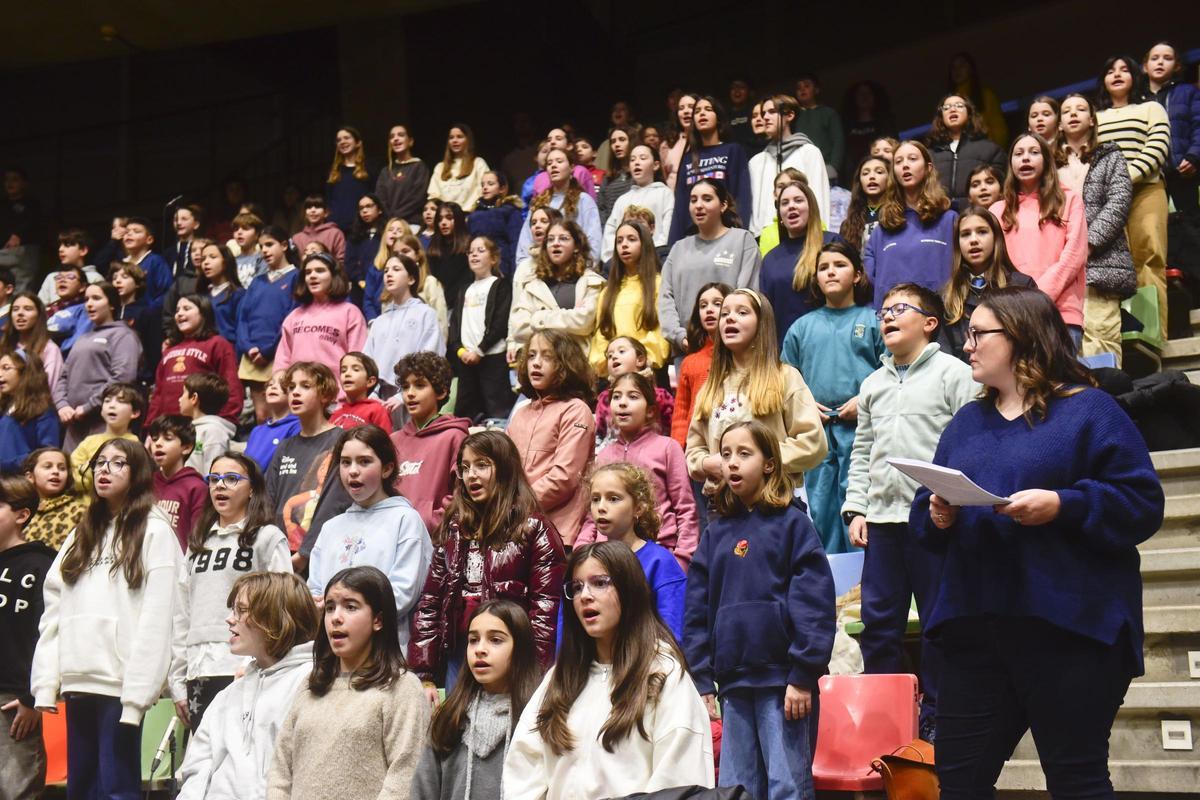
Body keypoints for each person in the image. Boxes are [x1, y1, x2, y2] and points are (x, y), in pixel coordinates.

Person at [912, 286, 1164, 798]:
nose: (968, 346)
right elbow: (927, 504)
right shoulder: (965, 423)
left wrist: (1063, 505)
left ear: (1022, 336)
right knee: (957, 784)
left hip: (1069, 630)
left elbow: (1142, 503)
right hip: (977, 631)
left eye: (979, 334)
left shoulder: (1090, 410)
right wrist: (936, 514)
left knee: (1076, 778)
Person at [842, 282, 977, 739]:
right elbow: (862, 451)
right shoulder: (873, 384)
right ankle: (886, 718)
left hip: (934, 520)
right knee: (879, 627)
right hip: (881, 522)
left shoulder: (953, 373)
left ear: (930, 322)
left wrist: (956, 502)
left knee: (940, 623)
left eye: (900, 309)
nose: (887, 317)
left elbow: (972, 443)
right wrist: (855, 508)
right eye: (883, 311)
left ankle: (939, 717)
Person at [684, 419, 836, 800]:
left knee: (787, 786)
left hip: (783, 684)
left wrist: (802, 674)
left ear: (769, 463)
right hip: (733, 685)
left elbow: (814, 605)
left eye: (744, 454)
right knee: (737, 789)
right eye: (726, 454)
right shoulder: (715, 533)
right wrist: (702, 678)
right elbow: (697, 612)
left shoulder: (793, 525)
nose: (732, 463)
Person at [504, 541, 714, 798]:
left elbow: (680, 779)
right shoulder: (559, 678)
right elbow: (524, 767)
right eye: (577, 587)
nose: (585, 596)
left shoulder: (664, 673)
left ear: (629, 589)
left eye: (600, 583)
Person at [31, 439, 181, 798]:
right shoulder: (83, 532)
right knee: (81, 787)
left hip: (121, 683)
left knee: (117, 788)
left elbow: (160, 615)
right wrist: (46, 679)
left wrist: (139, 692)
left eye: (117, 463)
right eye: (100, 463)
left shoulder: (155, 531)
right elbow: (55, 607)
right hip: (78, 677)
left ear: (138, 473)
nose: (104, 470)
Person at [410, 430, 566, 694]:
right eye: (465, 467)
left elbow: (545, 610)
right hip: (460, 652)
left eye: (482, 465)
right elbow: (430, 602)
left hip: (512, 657)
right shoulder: (454, 529)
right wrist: (423, 674)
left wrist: (535, 673)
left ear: (505, 469)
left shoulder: (534, 528)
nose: (471, 475)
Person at [267, 566, 430, 800]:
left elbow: (405, 776)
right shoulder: (311, 685)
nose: (336, 618)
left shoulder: (402, 687)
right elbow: (281, 769)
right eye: (330, 607)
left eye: (350, 607)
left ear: (378, 620)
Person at [169, 453, 291, 732]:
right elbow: (181, 613)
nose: (220, 486)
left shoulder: (267, 537)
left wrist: (259, 662)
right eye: (213, 479)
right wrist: (177, 678)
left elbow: (282, 606)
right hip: (199, 670)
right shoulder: (198, 542)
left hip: (246, 668)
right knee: (203, 762)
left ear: (252, 490)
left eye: (232, 479)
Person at [176, 572, 319, 800]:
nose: (230, 619)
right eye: (233, 610)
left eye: (241, 611)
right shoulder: (228, 695)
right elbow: (198, 767)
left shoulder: (312, 684)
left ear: (274, 616)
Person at [782, 242, 884, 553]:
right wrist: (806, 405)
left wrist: (864, 398)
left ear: (857, 274)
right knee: (821, 507)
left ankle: (863, 587)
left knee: (858, 506)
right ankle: (829, 586)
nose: (830, 271)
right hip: (818, 433)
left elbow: (891, 373)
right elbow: (786, 379)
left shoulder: (873, 321)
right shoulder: (802, 327)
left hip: (861, 431)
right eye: (824, 267)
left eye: (839, 264)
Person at [685, 289, 827, 494]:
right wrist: (706, 463)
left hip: (774, 502)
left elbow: (813, 443)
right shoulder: (710, 388)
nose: (730, 318)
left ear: (762, 324)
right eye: (724, 314)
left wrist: (759, 462)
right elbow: (694, 451)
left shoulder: (785, 377)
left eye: (742, 312)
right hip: (723, 505)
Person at [307, 426, 432, 649]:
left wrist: (352, 616)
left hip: (384, 650)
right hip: (334, 650)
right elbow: (314, 588)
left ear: (387, 469)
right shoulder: (330, 528)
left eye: (364, 462)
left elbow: (403, 592)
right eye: (345, 462)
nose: (353, 471)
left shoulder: (405, 520)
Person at [411, 600, 540, 800]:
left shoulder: (536, 719)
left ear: (520, 649)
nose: (480, 649)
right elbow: (423, 790)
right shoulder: (451, 717)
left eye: (495, 640)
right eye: (473, 640)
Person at [579, 372, 698, 574]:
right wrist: (581, 553)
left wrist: (681, 559)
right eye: (616, 397)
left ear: (650, 411)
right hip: (607, 557)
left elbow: (685, 509)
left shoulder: (667, 447)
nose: (622, 403)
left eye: (633, 397)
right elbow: (591, 517)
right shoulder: (604, 455)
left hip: (658, 553)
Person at [1057, 93, 1136, 364]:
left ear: (1092, 119)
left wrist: (1087, 244)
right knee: (1063, 345)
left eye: (1081, 109)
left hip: (1101, 262)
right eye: (1067, 111)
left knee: (1102, 340)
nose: (1073, 114)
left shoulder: (1111, 155)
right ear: (1059, 123)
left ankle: (1104, 405)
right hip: (1060, 266)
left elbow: (1119, 201)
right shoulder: (1049, 163)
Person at [1096, 55, 1171, 335]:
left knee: (1149, 258)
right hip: (1106, 199)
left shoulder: (1151, 108)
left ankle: (1155, 333)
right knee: (1112, 266)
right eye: (1110, 70)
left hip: (1146, 189)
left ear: (1134, 77)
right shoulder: (1094, 117)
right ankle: (1121, 335)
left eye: (1124, 69)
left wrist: (1123, 177)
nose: (1117, 74)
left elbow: (1158, 145)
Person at [989, 133, 1088, 345]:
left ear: (1046, 160)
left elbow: (1074, 256)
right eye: (1018, 153)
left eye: (1034, 153)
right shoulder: (997, 211)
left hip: (1060, 315)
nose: (1025, 158)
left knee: (1059, 379)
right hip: (1012, 317)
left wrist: (1035, 300)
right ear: (1011, 163)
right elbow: (994, 265)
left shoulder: (1069, 200)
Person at [507, 330, 596, 547]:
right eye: (531, 356)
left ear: (566, 364)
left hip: (555, 533)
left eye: (547, 357)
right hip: (514, 529)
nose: (536, 363)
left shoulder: (576, 410)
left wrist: (512, 506)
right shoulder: (520, 412)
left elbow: (564, 478)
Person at [658, 179, 761, 353]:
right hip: (688, 348)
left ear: (723, 205)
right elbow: (665, 298)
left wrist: (728, 334)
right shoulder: (678, 249)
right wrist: (680, 336)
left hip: (731, 348)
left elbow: (747, 294)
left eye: (707, 199)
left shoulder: (742, 240)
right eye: (693, 200)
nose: (698, 205)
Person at [266, 362, 352, 561]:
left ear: (324, 395)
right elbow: (269, 500)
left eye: (305, 386)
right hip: (281, 552)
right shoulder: (285, 446)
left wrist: (306, 553)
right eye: (291, 387)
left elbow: (335, 502)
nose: (295, 393)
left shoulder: (341, 440)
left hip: (321, 551)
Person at [0, 474, 53, 797]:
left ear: (22, 515)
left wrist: (32, 698)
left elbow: (45, 636)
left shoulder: (42, 565)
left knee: (14, 788)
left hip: (13, 701)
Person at [864, 141, 958, 308]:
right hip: (894, 318)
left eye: (912, 159)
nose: (905, 165)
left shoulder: (949, 220)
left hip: (940, 317)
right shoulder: (882, 230)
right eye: (898, 162)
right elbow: (871, 278)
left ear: (929, 168)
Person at [389, 352, 470, 536]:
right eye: (405, 386)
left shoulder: (454, 436)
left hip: (435, 540)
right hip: (392, 537)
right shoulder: (393, 440)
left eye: (419, 385)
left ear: (441, 391)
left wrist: (433, 522)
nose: (410, 393)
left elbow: (462, 494)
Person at [940, 207, 1036, 361]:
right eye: (965, 234)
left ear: (996, 238)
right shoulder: (947, 296)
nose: (973, 240)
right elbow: (944, 356)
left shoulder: (1022, 287)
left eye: (982, 232)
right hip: (965, 380)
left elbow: (1036, 344)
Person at [54, 283, 142, 450]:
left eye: (96, 298)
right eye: (86, 299)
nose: (89, 304)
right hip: (73, 425)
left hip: (103, 423)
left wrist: (88, 407)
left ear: (111, 304)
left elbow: (122, 378)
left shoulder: (123, 335)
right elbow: (63, 376)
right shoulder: (82, 338)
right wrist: (62, 405)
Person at [508, 220, 605, 361]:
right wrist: (568, 322)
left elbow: (584, 322)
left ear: (577, 246)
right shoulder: (532, 285)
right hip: (541, 364)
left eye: (563, 238)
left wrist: (538, 317)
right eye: (550, 240)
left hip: (579, 363)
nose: (556, 243)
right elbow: (519, 328)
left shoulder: (591, 281)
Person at [761, 180, 843, 340]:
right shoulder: (770, 259)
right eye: (784, 203)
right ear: (780, 216)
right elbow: (766, 314)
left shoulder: (832, 242)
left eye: (798, 200)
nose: (791, 206)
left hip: (831, 341)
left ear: (811, 208)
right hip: (784, 350)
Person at [1145, 41, 1200, 277]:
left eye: (1167, 58)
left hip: (1184, 173)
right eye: (1155, 57)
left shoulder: (1188, 92)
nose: (1160, 62)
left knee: (1191, 233)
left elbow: (1199, 126)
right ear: (1145, 66)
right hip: (1151, 179)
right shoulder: (1138, 99)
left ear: (1176, 65)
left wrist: (1194, 156)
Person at [667, 96, 753, 245]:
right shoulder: (688, 158)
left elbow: (741, 196)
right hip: (692, 238)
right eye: (698, 111)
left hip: (726, 234)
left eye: (708, 109)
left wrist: (740, 234)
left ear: (718, 118)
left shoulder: (733, 150)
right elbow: (680, 206)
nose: (702, 114)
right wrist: (672, 246)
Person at [147, 293, 243, 425]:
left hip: (203, 424)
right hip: (167, 428)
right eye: (177, 310)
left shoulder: (217, 344)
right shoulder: (170, 349)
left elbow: (231, 384)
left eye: (186, 308)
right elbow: (158, 393)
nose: (179, 314)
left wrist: (226, 420)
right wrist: (150, 426)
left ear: (203, 313)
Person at [589, 221, 670, 377]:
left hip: (648, 373)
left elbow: (661, 331)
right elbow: (601, 335)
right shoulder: (607, 292)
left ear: (644, 244)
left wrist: (639, 360)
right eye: (619, 241)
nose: (624, 245)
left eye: (631, 239)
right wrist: (607, 363)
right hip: (613, 376)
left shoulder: (658, 284)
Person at [236, 225, 299, 423]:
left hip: (277, 354)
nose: (264, 250)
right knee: (261, 416)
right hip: (252, 354)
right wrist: (248, 346)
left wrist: (268, 350)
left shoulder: (296, 276)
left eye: (270, 245)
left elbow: (291, 317)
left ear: (284, 245)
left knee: (282, 414)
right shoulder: (257, 281)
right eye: (261, 246)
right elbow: (243, 317)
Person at [449, 237, 513, 423]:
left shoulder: (499, 285)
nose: (474, 254)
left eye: (480, 250)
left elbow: (500, 323)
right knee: (465, 414)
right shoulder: (464, 290)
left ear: (493, 258)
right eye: (471, 251)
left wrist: (480, 350)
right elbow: (454, 328)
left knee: (496, 412)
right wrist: (461, 352)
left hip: (492, 359)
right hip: (466, 361)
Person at [749, 93, 830, 237]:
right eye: (763, 113)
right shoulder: (756, 162)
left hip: (804, 235)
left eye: (772, 112)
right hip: (765, 238)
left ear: (790, 115)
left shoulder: (808, 152)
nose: (765, 117)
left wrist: (821, 236)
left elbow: (819, 198)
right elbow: (755, 209)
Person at [274, 252, 367, 375]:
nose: (312, 276)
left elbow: (357, 359)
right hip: (299, 390)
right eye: (308, 272)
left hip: (337, 392)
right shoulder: (294, 316)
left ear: (334, 276)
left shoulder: (350, 313)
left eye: (320, 271)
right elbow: (282, 361)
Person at [516, 147, 603, 264]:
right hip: (539, 270)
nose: (553, 166)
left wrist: (584, 268)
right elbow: (525, 242)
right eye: (549, 163)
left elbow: (593, 242)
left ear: (572, 167)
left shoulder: (584, 201)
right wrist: (525, 270)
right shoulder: (539, 202)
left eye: (559, 161)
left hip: (574, 270)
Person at [671, 282, 731, 450]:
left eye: (717, 304)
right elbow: (681, 413)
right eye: (703, 305)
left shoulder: (740, 357)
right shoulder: (690, 362)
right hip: (696, 448)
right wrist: (677, 449)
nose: (709, 310)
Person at [927, 94, 1006, 210]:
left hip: (979, 216)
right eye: (946, 107)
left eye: (959, 106)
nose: (952, 109)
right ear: (941, 116)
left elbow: (1002, 189)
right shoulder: (930, 154)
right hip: (940, 218)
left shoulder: (990, 149)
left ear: (969, 112)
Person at [592, 336, 675, 442]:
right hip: (615, 455)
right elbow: (599, 434)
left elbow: (673, 428)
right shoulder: (604, 398)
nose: (614, 357)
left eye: (621, 351)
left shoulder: (660, 395)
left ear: (640, 360)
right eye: (609, 356)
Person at [601, 144, 674, 262]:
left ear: (655, 165)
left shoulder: (665, 194)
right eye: (632, 159)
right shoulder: (622, 200)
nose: (636, 163)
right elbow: (611, 231)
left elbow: (667, 229)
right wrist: (612, 258)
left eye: (643, 158)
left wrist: (656, 254)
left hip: (655, 259)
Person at [68, 382, 143, 495]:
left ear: (135, 413)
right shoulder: (89, 441)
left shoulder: (134, 444)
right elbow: (72, 476)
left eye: (120, 401)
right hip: (85, 505)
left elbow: (133, 480)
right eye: (107, 401)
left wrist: (89, 468)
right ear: (102, 410)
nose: (112, 405)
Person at [3, 292, 64, 408]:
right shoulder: (5, 346)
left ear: (39, 315)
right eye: (15, 309)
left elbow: (50, 389)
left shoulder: (49, 349)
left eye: (28, 309)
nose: (20, 313)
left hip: (33, 412)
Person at [0, 350, 58, 471]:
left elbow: (48, 454)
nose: (0, 373)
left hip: (20, 482)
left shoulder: (44, 412)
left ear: (25, 372)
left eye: (6, 368)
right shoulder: (5, 409)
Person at [21, 447, 85, 551]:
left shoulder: (79, 511)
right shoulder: (19, 512)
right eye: (48, 466)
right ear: (30, 477)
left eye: (62, 468)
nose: (56, 471)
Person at [468, 171, 525, 277]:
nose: (485, 187)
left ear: (502, 188)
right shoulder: (474, 215)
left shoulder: (510, 211)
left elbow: (515, 242)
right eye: (483, 185)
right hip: (479, 270)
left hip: (503, 266)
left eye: (490, 184)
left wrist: (515, 272)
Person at [946, 52, 1008, 147]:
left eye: (962, 65)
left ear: (971, 68)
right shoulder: (948, 102)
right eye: (953, 67)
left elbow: (999, 130)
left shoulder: (986, 96)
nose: (957, 70)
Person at [180, 373, 236, 475]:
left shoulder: (214, 432)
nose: (179, 399)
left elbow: (214, 473)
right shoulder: (189, 428)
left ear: (194, 398)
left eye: (183, 393)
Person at [244, 370, 301, 471]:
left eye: (282, 384)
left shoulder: (297, 427)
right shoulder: (257, 430)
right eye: (270, 384)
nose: (273, 387)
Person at [376, 123, 432, 226]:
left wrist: (396, 216)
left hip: (411, 223)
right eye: (392, 137)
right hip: (389, 224)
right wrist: (390, 219)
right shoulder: (386, 171)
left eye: (400, 135)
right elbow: (380, 199)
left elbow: (417, 198)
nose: (396, 139)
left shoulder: (419, 167)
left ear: (410, 141)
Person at [842, 81, 898, 183]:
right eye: (860, 94)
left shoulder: (885, 124)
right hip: (853, 177)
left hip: (883, 175)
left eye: (868, 93)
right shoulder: (846, 126)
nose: (864, 97)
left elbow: (893, 147)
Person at [794, 72, 845, 182]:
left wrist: (833, 166)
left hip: (824, 167)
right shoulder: (793, 116)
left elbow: (838, 141)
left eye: (807, 86)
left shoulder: (828, 113)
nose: (802, 90)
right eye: (799, 88)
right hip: (799, 169)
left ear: (816, 90)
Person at [428, 124, 489, 211]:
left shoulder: (478, 163)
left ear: (468, 140)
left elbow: (484, 192)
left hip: (470, 216)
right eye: (451, 137)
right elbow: (434, 195)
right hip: (446, 219)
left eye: (459, 137)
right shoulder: (440, 167)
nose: (454, 140)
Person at [326, 127, 375, 234]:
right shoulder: (334, 171)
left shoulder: (368, 169)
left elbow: (374, 198)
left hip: (361, 228)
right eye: (339, 140)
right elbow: (329, 200)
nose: (342, 142)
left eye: (347, 138)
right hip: (336, 229)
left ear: (358, 143)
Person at [119, 216, 173, 311]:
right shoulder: (120, 264)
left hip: (148, 316)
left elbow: (166, 292)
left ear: (149, 240)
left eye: (136, 231)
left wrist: (149, 311)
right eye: (126, 232)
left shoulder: (156, 261)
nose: (129, 234)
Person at [839, 155, 890, 253]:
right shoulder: (848, 225)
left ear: (890, 178)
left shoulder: (899, 216)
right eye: (865, 173)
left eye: (879, 172)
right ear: (860, 181)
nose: (871, 177)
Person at [331, 352, 393, 432]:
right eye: (343, 370)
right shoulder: (336, 414)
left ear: (370, 381)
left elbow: (385, 441)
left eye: (356, 370)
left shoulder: (377, 410)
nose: (347, 374)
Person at [427, 201, 472, 310]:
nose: (443, 223)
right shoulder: (433, 250)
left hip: (464, 304)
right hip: (439, 305)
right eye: (440, 219)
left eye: (449, 218)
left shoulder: (469, 247)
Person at [344, 195, 384, 297]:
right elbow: (349, 262)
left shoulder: (387, 233)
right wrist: (360, 280)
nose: (364, 211)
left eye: (369, 206)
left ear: (379, 209)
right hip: (359, 287)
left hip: (383, 285)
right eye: (361, 208)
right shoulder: (354, 235)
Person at [596, 125, 635, 225]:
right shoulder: (609, 177)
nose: (617, 145)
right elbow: (601, 207)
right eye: (613, 141)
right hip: (611, 232)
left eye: (622, 140)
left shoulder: (638, 174)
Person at [292, 196, 346, 266]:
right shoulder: (297, 238)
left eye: (317, 207)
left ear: (326, 213)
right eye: (309, 207)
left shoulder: (335, 233)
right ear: (305, 213)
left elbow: (341, 261)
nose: (313, 210)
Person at [661, 92, 697, 191]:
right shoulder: (668, 144)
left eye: (690, 107)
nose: (686, 111)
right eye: (681, 108)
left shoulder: (707, 140)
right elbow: (663, 178)